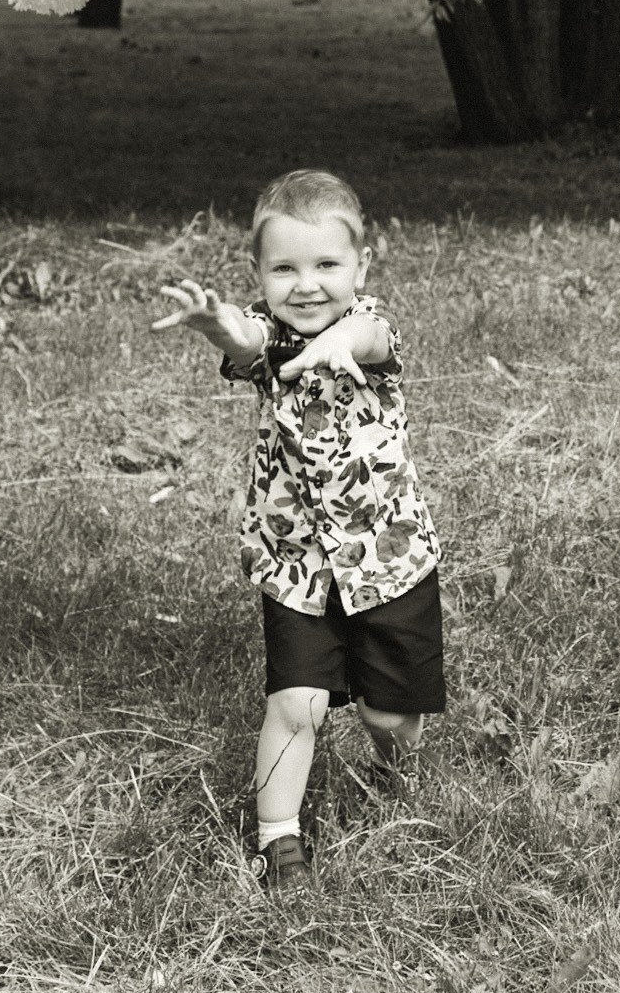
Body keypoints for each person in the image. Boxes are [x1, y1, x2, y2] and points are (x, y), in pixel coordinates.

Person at [150, 170, 445, 890]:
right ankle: (278, 845)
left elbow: (370, 335)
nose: (306, 284)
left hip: (387, 560)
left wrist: (339, 343)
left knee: (390, 716)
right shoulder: (272, 339)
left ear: (360, 268)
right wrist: (215, 322)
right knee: (297, 704)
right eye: (284, 268)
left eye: (326, 266)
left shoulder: (372, 328)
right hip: (297, 565)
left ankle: (393, 762)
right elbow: (246, 339)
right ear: (259, 273)